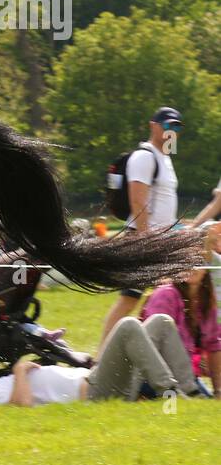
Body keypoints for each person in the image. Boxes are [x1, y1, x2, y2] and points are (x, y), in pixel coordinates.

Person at [0, 315, 199, 405]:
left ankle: (192, 394)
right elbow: (21, 407)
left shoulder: (0, 381)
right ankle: (171, 393)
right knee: (128, 326)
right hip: (96, 392)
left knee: (161, 322)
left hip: (100, 380)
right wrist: (21, 371)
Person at [100, 107, 181, 343]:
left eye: (176, 126)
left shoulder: (165, 158)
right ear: (153, 126)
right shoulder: (144, 156)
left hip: (161, 241)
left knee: (166, 298)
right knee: (129, 300)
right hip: (142, 240)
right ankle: (100, 360)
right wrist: (146, 244)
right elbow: (138, 202)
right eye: (167, 125)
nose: (171, 131)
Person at [140, 265, 220, 397]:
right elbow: (152, 344)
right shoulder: (165, 294)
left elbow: (214, 345)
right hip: (155, 378)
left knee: (206, 405)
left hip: (185, 377)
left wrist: (218, 391)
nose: (192, 267)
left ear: (206, 268)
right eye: (186, 261)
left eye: (198, 262)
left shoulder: (206, 301)